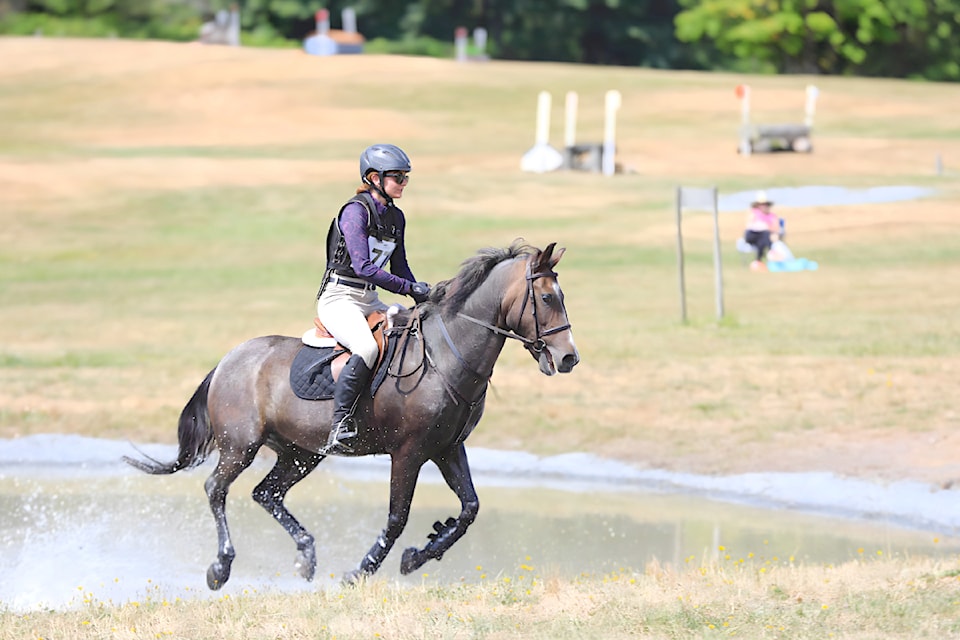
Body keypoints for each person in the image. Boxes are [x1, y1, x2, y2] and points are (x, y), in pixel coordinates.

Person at [316, 143, 430, 453]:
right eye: (397, 177)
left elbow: (400, 265)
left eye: (406, 178)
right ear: (373, 178)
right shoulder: (355, 211)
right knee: (366, 347)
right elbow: (363, 267)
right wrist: (408, 289)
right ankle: (340, 424)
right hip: (339, 298)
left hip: (368, 299)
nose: (403, 183)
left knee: (408, 335)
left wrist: (421, 293)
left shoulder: (396, 217)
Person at [743, 190, 782, 270]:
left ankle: (759, 260)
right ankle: (768, 255)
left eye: (765, 204)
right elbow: (748, 225)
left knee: (763, 239)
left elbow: (776, 228)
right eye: (761, 204)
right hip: (752, 235)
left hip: (765, 237)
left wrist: (767, 227)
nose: (763, 206)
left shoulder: (771, 216)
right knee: (763, 237)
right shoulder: (753, 213)